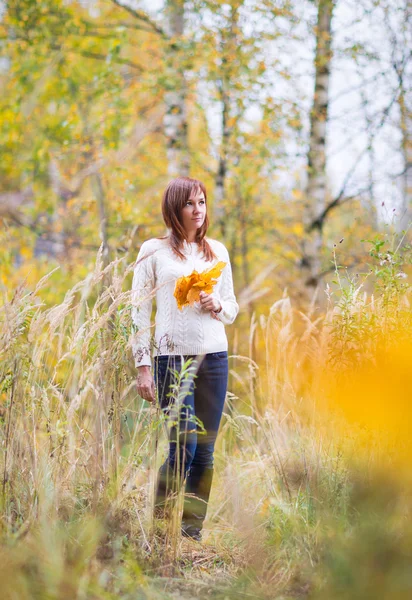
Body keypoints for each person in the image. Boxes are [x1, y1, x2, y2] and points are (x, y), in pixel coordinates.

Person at [131, 176, 239, 542]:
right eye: (190, 204)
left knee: (205, 452)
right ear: (174, 209)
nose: (198, 211)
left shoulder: (217, 252)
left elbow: (233, 308)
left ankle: (190, 535)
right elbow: (137, 312)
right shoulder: (153, 251)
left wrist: (218, 304)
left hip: (214, 358)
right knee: (184, 447)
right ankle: (161, 531)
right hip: (170, 360)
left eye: (202, 203)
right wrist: (143, 366)